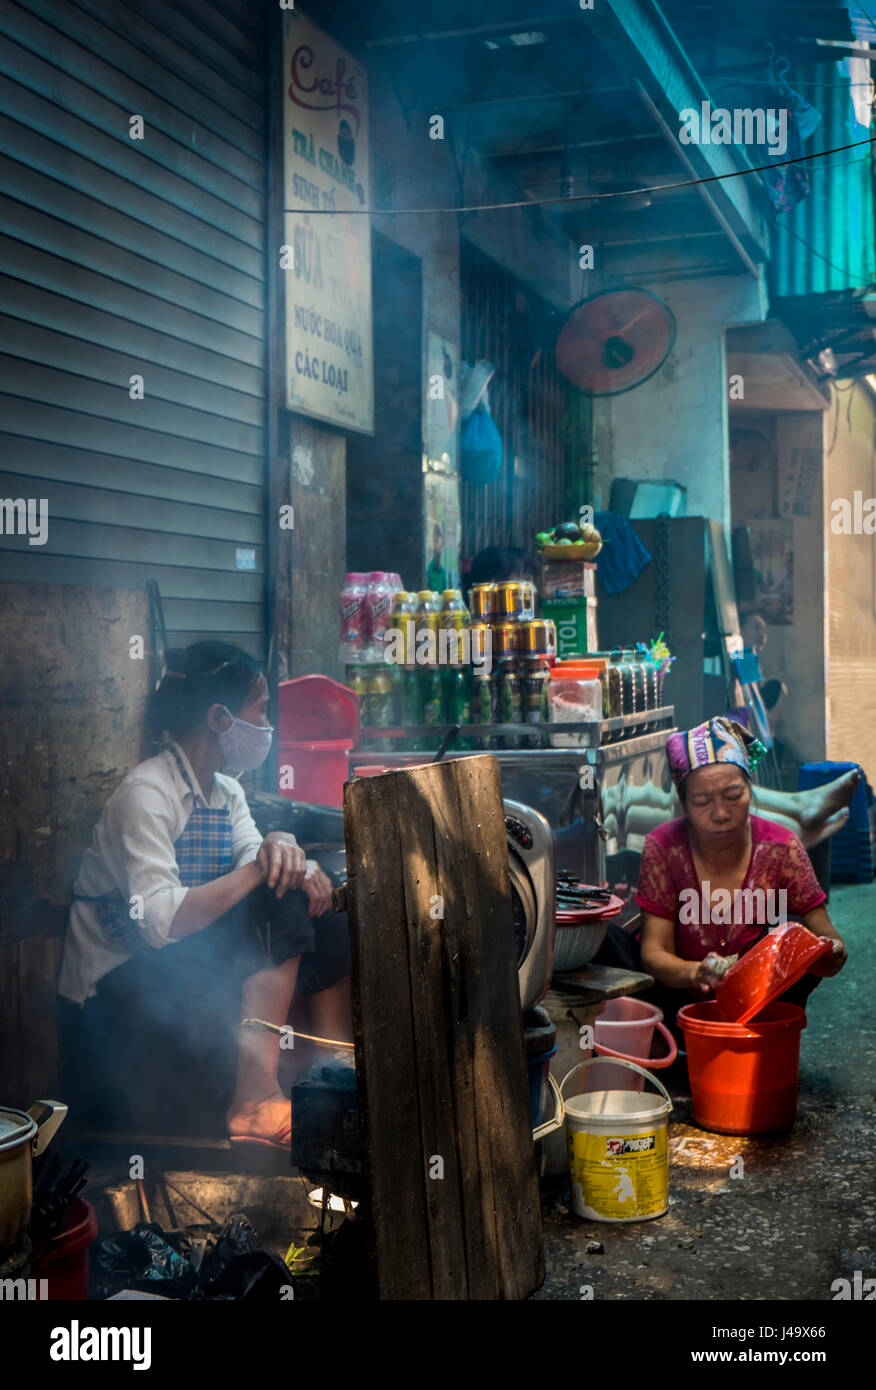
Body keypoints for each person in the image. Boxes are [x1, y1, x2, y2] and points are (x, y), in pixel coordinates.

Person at [57, 642, 351, 1150]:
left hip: (181, 961)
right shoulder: (147, 794)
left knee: (326, 912)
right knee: (276, 901)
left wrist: (291, 858)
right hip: (119, 980)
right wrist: (267, 863)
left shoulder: (226, 792)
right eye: (258, 710)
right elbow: (159, 922)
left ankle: (333, 1070)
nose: (266, 725)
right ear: (219, 718)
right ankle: (253, 1100)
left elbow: (254, 859)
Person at [594, 717, 848, 1039]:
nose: (721, 814)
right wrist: (697, 972)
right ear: (683, 803)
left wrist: (828, 951)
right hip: (676, 1001)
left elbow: (825, 935)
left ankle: (763, 1041)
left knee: (794, 935)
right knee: (601, 939)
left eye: (733, 795)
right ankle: (662, 1043)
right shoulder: (664, 846)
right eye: (702, 802)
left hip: (755, 1004)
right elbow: (655, 952)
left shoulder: (781, 846)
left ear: (750, 790)